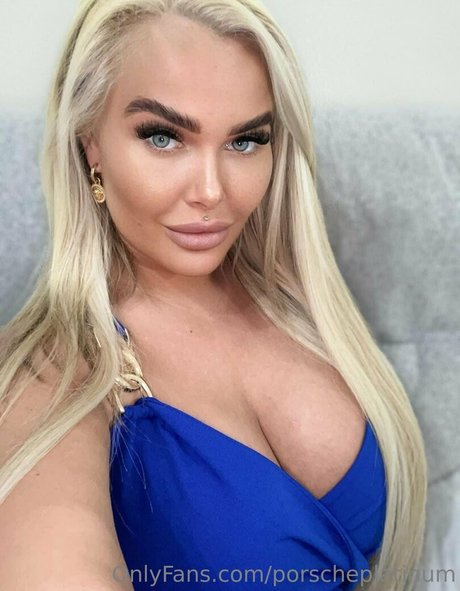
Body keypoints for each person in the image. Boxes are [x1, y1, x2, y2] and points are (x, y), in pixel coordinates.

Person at [0, 1, 427, 590]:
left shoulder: (298, 305)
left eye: (246, 141)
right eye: (163, 137)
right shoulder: (48, 375)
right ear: (89, 142)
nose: (211, 191)